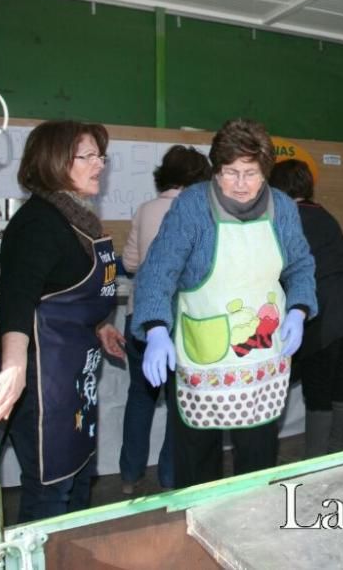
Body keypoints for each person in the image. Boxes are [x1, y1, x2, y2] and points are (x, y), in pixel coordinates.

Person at [131, 118, 317, 488]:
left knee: (257, 458)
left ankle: (253, 530)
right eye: (231, 173)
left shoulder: (282, 206)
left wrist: (298, 309)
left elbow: (300, 265)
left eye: (250, 173)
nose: (241, 184)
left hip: (262, 360)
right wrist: (154, 329)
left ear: (265, 171)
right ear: (216, 171)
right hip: (204, 357)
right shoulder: (193, 206)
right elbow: (158, 269)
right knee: (198, 464)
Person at [0, 120, 126, 523]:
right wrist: (13, 368)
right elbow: (18, 299)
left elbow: (62, 293)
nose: (100, 165)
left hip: (75, 378)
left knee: (76, 483)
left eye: (100, 156)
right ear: (55, 160)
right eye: (88, 156)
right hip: (44, 384)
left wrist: (99, 326)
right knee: (50, 495)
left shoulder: (79, 220)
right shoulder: (39, 222)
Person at [269, 159, 343, 458]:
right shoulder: (324, 214)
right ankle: (335, 447)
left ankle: (316, 459)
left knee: (317, 387)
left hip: (325, 309)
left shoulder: (286, 218)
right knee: (336, 382)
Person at [118, 145, 211, 495]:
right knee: (179, 402)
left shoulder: (144, 209)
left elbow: (129, 263)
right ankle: (171, 478)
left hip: (141, 319)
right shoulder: (199, 211)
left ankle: (129, 477)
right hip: (181, 320)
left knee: (139, 399)